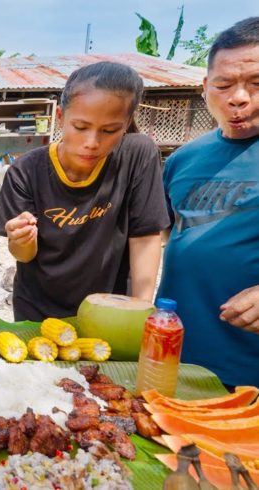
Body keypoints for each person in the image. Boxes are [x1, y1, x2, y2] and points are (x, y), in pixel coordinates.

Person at [0, 62, 170, 322]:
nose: (92, 142)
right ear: (61, 117)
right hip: (39, 311)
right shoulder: (26, 171)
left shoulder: (137, 155)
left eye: (109, 130)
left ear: (126, 123)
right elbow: (24, 255)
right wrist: (21, 240)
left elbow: (145, 237)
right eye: (81, 127)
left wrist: (142, 311)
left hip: (110, 312)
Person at [159, 17, 259, 389]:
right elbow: (169, 239)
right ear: (205, 88)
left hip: (249, 376)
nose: (238, 97)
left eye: (256, 84)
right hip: (176, 366)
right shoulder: (182, 160)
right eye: (224, 84)